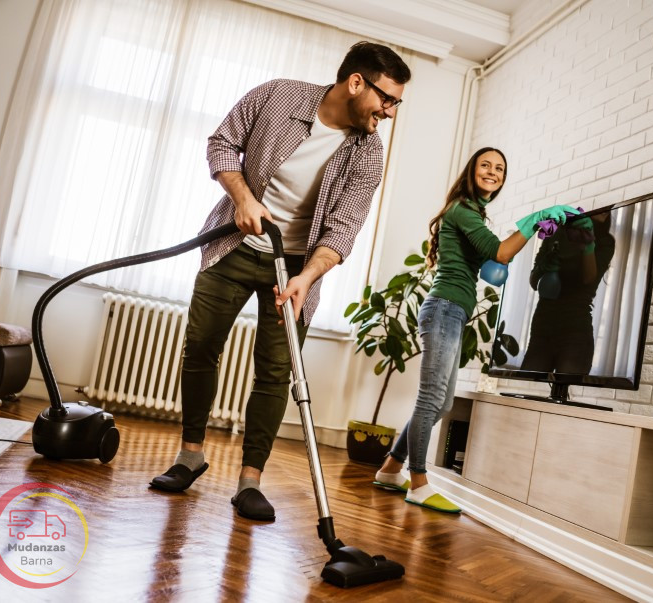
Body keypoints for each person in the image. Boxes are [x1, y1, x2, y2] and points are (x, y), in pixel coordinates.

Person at [150, 42, 411, 522]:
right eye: (387, 99)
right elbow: (222, 143)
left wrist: (306, 279)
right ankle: (190, 455)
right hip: (232, 246)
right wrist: (245, 200)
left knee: (275, 372)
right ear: (357, 83)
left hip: (294, 267)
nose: (390, 112)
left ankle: (250, 481)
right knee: (201, 346)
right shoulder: (277, 96)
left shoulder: (368, 153)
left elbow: (344, 227)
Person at [372, 147, 577, 513]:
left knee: (442, 402)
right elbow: (500, 253)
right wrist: (536, 218)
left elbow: (489, 257)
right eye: (486, 165)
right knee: (431, 399)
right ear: (472, 170)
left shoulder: (471, 214)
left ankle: (390, 469)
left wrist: (531, 231)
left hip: (452, 311)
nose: (493, 171)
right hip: (445, 309)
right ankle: (417, 482)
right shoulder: (462, 210)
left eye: (500, 168)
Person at [521, 211, 615, 374]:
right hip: (542, 326)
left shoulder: (605, 242)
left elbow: (589, 279)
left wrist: (588, 243)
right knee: (524, 386)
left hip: (575, 329)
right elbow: (534, 282)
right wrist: (544, 266)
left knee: (565, 387)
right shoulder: (557, 231)